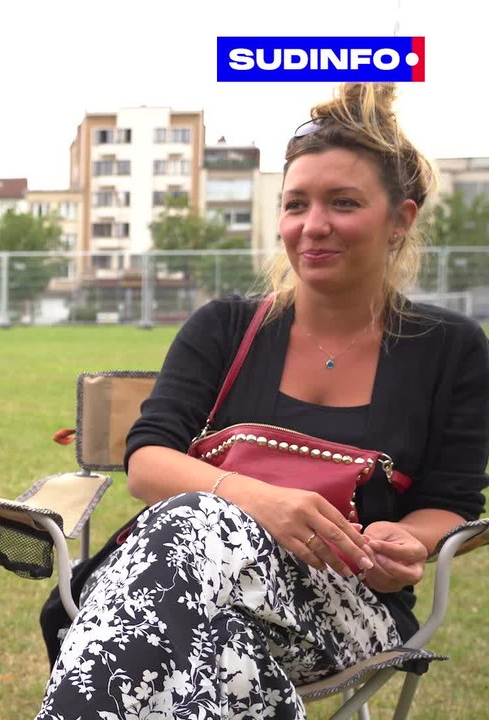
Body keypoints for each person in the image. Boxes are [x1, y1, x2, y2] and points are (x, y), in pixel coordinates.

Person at [37, 83, 489, 719]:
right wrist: (258, 503)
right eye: (295, 204)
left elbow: (451, 504)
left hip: (347, 607)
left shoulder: (451, 349)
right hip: (181, 583)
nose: (313, 225)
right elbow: (148, 461)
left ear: (401, 220)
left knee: (181, 539)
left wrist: (409, 543)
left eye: (344, 203)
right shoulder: (224, 328)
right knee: (213, 631)